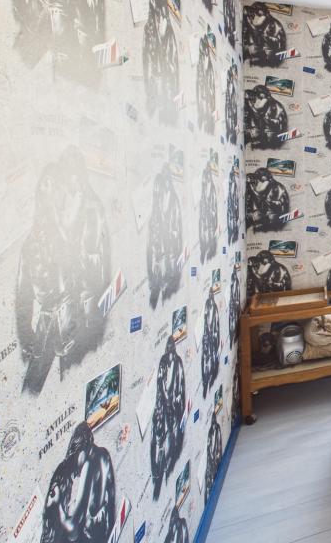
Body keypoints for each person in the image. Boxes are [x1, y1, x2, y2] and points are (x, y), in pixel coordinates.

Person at [16, 149, 110, 393]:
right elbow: (23, 293)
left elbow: (93, 271)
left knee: (70, 377)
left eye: (57, 186)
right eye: (46, 187)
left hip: (73, 323)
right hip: (52, 326)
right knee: (35, 387)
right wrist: (26, 336)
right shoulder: (33, 242)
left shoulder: (82, 219)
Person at [41, 422, 116, 543]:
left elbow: (73, 529)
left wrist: (57, 504)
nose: (76, 471)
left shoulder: (88, 463)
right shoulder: (104, 454)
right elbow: (111, 506)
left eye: (75, 459)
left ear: (80, 449)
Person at [150, 337, 185, 499]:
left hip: (174, 403)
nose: (170, 352)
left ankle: (168, 460)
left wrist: (177, 400)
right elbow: (160, 383)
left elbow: (181, 383)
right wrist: (165, 400)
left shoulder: (178, 362)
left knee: (172, 430)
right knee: (158, 432)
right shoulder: (164, 362)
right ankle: (158, 469)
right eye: (168, 349)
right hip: (163, 403)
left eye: (171, 349)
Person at [143, 0, 180, 123]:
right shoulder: (149, 29)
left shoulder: (169, 33)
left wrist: (172, 91)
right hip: (156, 87)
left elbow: (174, 64)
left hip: (166, 88)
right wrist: (150, 91)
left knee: (165, 120)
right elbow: (147, 61)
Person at [148, 164, 183, 308]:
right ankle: (159, 285)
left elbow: (177, 220)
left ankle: (166, 288)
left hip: (170, 238)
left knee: (169, 263)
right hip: (160, 237)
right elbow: (156, 214)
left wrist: (174, 233)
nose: (167, 181)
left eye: (168, 178)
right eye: (165, 178)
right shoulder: (159, 194)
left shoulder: (173, 198)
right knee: (159, 260)